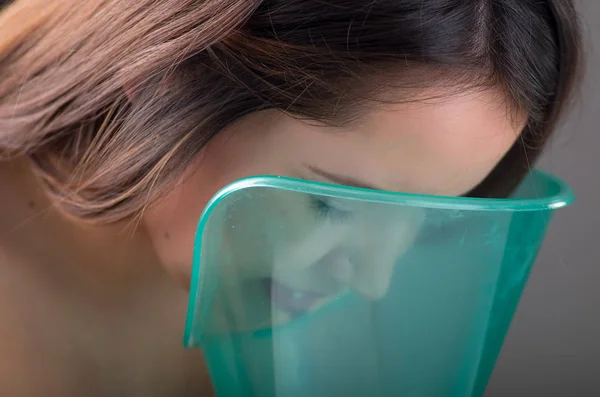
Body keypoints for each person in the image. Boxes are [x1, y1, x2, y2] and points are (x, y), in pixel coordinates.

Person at [0, 0, 582, 396]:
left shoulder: (295, 303)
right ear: (162, 75)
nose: (375, 281)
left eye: (422, 218)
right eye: (333, 204)